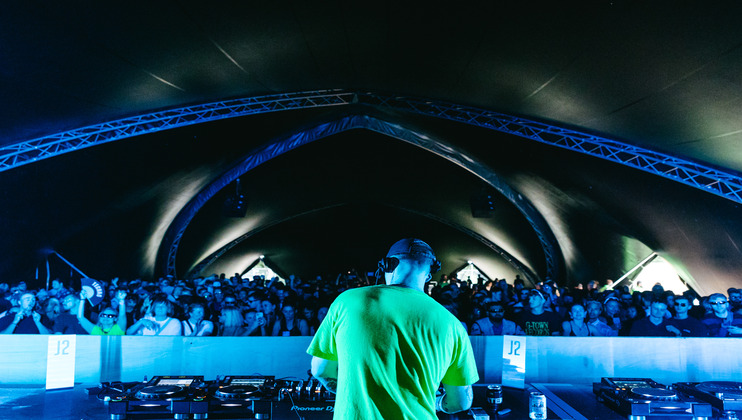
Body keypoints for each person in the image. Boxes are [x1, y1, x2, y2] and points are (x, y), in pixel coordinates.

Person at [307, 238, 478, 419]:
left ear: (387, 265)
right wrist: (437, 403)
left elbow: (320, 370)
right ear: (428, 275)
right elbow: (460, 402)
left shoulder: (347, 301)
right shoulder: (452, 325)